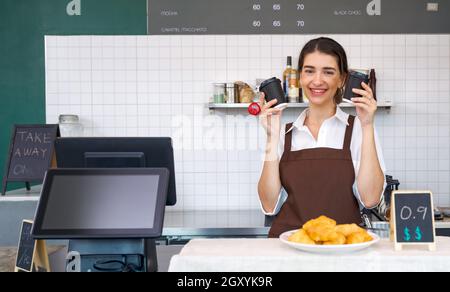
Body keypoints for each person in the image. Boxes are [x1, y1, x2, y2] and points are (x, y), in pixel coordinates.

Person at [257, 37, 386, 238]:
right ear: (300, 77)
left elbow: (370, 199)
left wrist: (367, 125)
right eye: (309, 71)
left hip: (342, 249)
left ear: (342, 79)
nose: (317, 80)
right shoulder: (283, 133)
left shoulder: (360, 129)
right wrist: (271, 137)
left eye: (328, 72)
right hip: (290, 247)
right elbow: (269, 204)